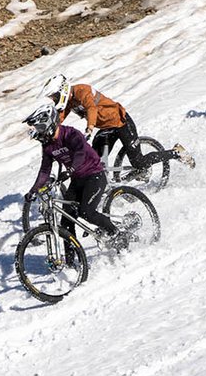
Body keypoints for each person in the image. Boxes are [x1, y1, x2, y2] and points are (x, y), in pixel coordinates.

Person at [42, 74, 195, 176]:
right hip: (106, 129)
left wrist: (89, 128)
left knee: (138, 162)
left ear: (63, 89)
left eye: (54, 95)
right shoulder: (68, 102)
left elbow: (91, 108)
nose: (54, 99)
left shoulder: (82, 90)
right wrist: (47, 134)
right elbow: (59, 118)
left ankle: (176, 153)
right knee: (94, 161)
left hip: (121, 123)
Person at [23, 103, 120, 247]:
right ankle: (71, 261)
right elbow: (45, 170)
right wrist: (33, 190)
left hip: (94, 175)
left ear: (49, 124)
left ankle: (117, 234)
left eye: (39, 128)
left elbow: (80, 153)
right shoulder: (48, 146)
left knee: (86, 212)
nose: (38, 133)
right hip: (77, 179)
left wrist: (70, 171)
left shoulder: (70, 134)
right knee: (66, 221)